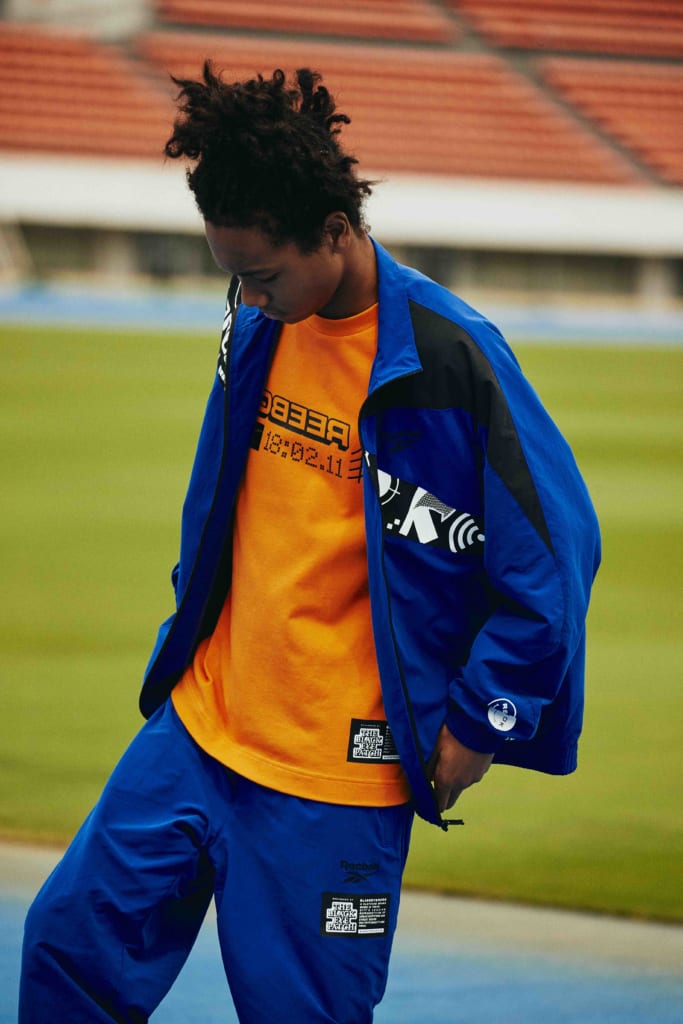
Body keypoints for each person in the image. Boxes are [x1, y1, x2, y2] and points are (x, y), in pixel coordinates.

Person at [19, 64, 601, 1022]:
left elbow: (553, 561)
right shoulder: (262, 317)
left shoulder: (453, 358)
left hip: (337, 778)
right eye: (234, 275)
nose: (245, 296)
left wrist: (480, 725)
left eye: (261, 274)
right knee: (66, 953)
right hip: (200, 727)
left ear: (334, 231)